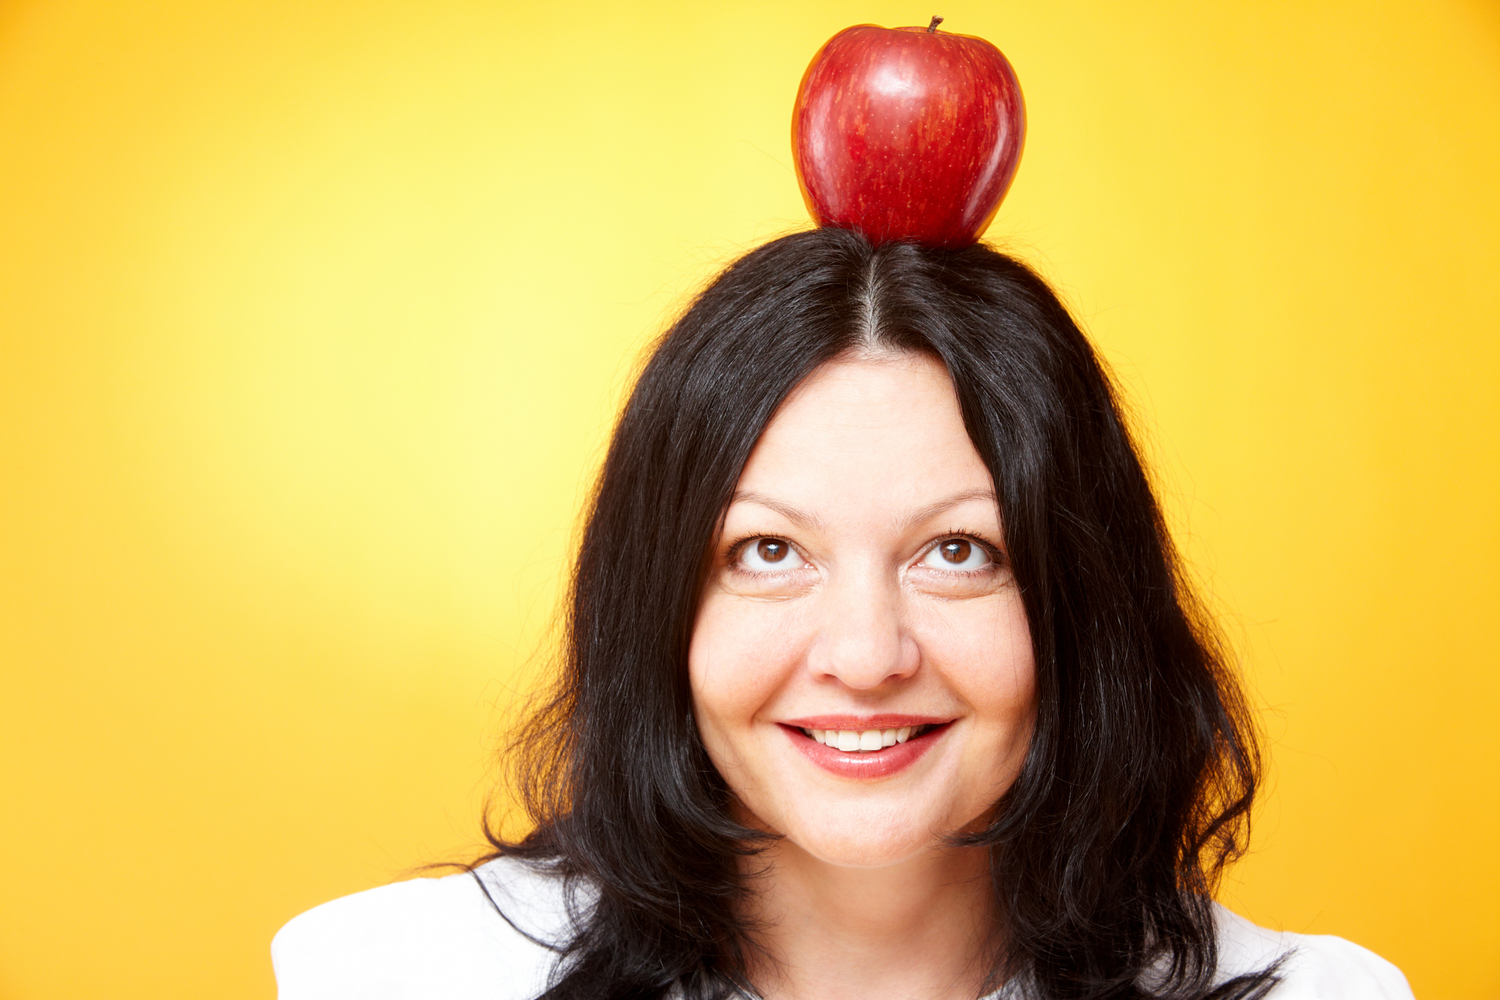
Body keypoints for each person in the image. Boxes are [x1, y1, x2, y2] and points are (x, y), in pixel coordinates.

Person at [272, 229, 1414, 1000]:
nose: (866, 657)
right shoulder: (397, 976)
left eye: (959, 552)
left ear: (1084, 605)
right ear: (658, 607)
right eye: (768, 552)